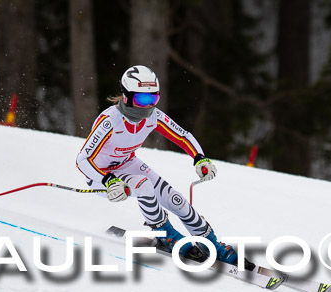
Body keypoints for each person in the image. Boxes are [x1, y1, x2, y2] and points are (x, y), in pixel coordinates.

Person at [75, 65, 244, 267]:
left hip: (128, 165)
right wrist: (109, 180)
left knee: (177, 200)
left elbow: (182, 136)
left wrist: (199, 158)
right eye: (142, 100)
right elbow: (83, 159)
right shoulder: (110, 121)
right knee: (144, 186)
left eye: (153, 99)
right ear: (127, 96)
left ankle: (212, 244)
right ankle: (167, 236)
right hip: (101, 176)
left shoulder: (153, 116)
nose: (148, 106)